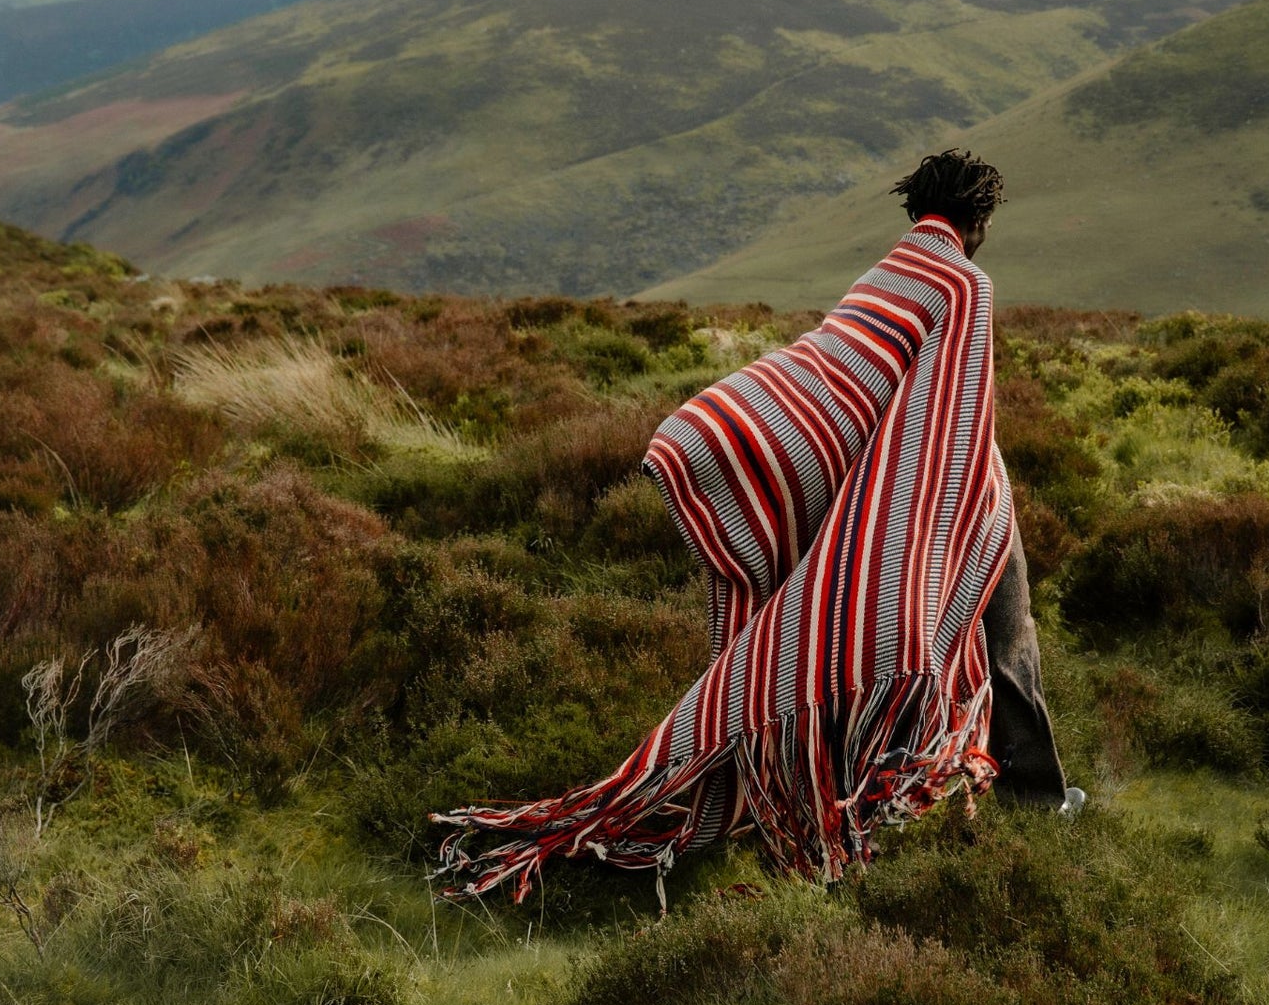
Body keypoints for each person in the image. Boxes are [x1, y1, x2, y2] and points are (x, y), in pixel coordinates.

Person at [434, 149, 1076, 903]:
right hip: (896, 477)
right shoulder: (965, 284)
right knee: (989, 630)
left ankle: (896, 793)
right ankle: (1010, 798)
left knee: (843, 645)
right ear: (980, 220)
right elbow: (950, 413)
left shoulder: (881, 274)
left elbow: (847, 374)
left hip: (826, 467)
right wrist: (944, 534)